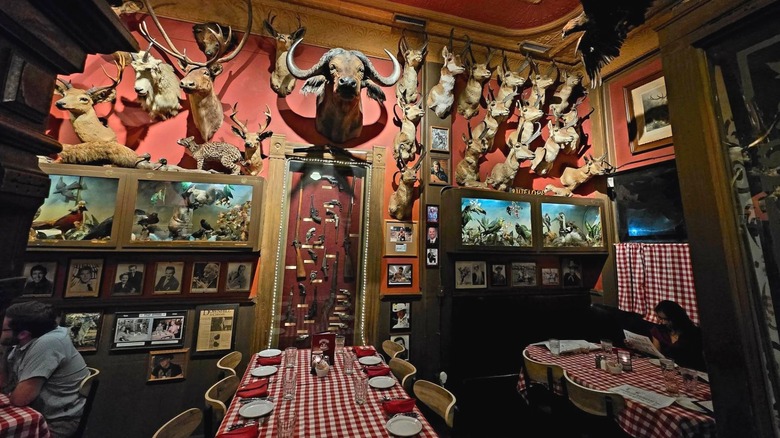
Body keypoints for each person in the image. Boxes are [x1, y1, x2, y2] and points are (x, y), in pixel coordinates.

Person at [0, 302, 89, 438]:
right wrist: (4, 347)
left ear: (23, 334)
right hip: (41, 412)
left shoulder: (48, 343)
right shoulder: (30, 338)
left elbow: (20, 399)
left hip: (59, 422)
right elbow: (3, 383)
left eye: (4, 329)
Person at [650, 300, 706, 370]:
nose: (663, 322)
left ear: (676, 318)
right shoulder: (658, 330)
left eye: (666, 319)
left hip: (689, 370)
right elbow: (657, 354)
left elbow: (696, 359)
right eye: (660, 318)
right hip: (667, 368)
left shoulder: (692, 332)